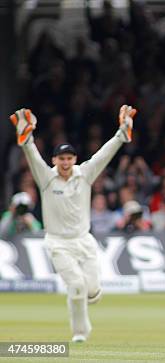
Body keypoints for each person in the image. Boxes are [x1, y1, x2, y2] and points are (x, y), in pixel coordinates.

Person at [9, 105, 136, 342]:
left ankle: (91, 294)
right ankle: (80, 333)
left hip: (84, 241)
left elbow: (103, 155)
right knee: (76, 286)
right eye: (61, 159)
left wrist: (121, 134)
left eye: (69, 158)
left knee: (92, 291)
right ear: (55, 160)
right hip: (58, 243)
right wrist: (27, 138)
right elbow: (33, 158)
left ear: (74, 159)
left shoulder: (84, 174)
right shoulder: (47, 178)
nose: (65, 163)